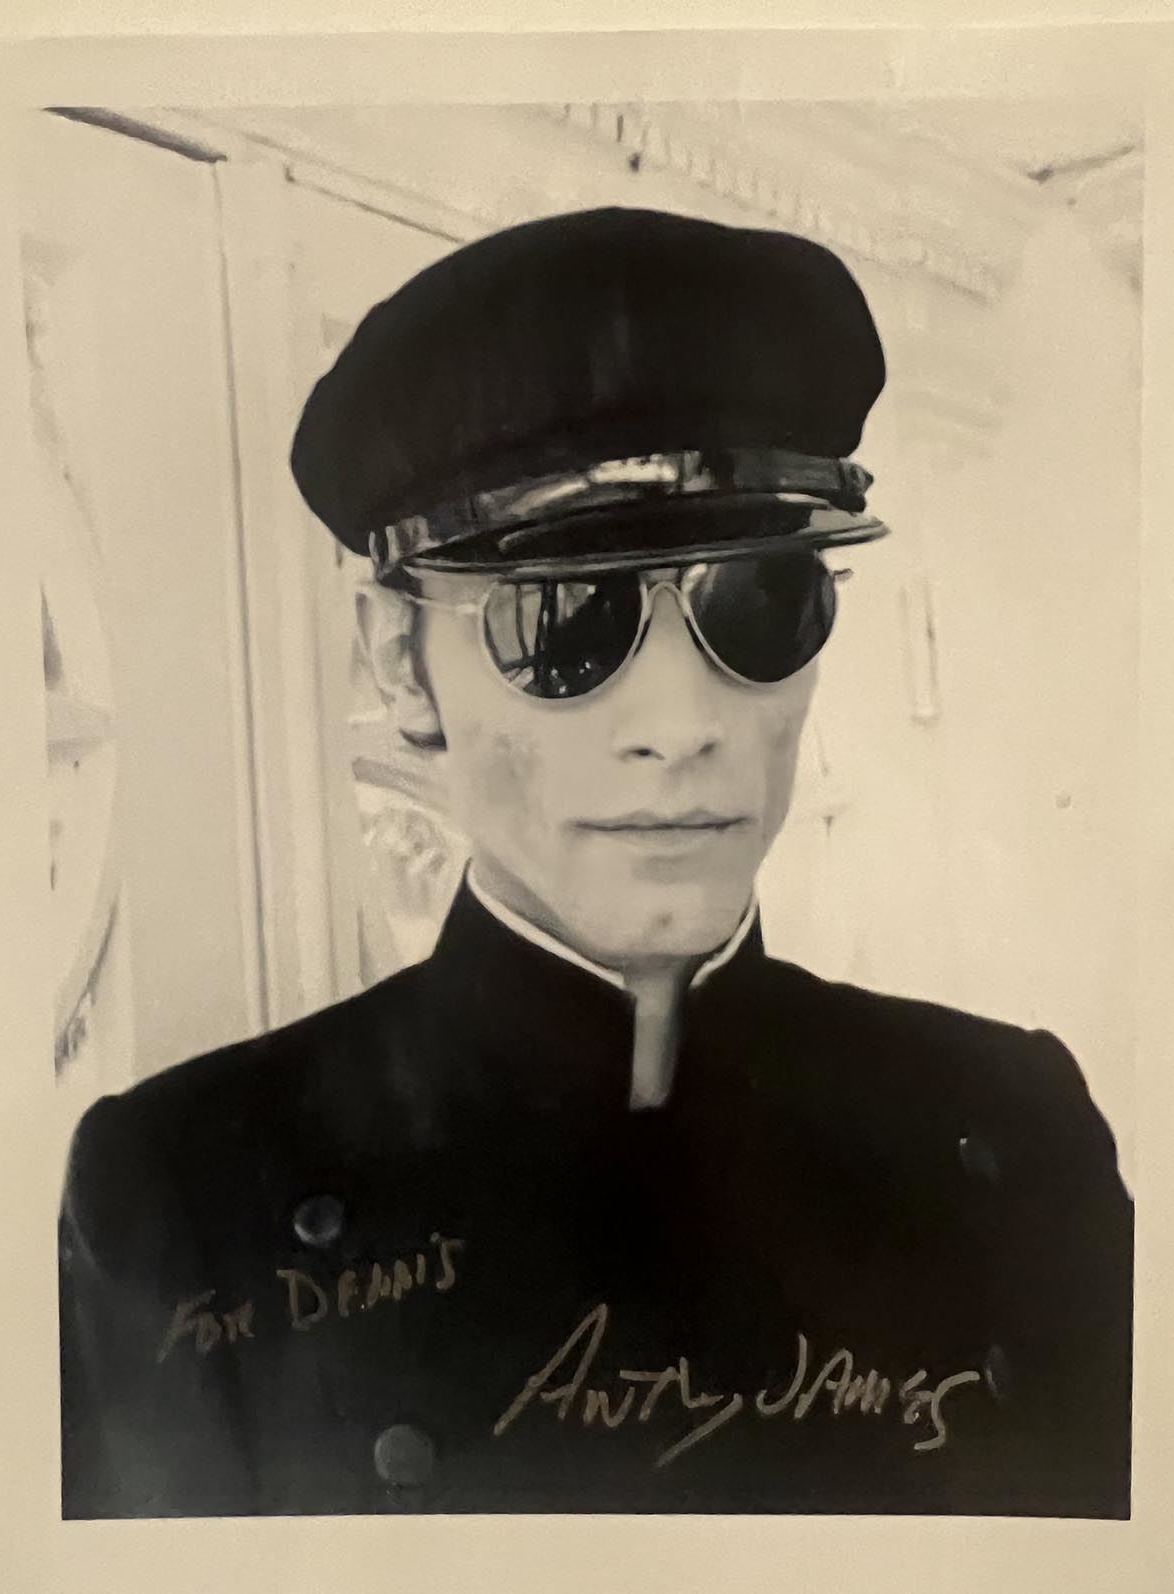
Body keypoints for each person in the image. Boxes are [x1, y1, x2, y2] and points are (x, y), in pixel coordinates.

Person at [58, 206, 1133, 1519]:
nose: (681, 726)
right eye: (565, 621)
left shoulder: (1018, 1132)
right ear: (400, 662)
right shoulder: (183, 1196)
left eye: (757, 604)